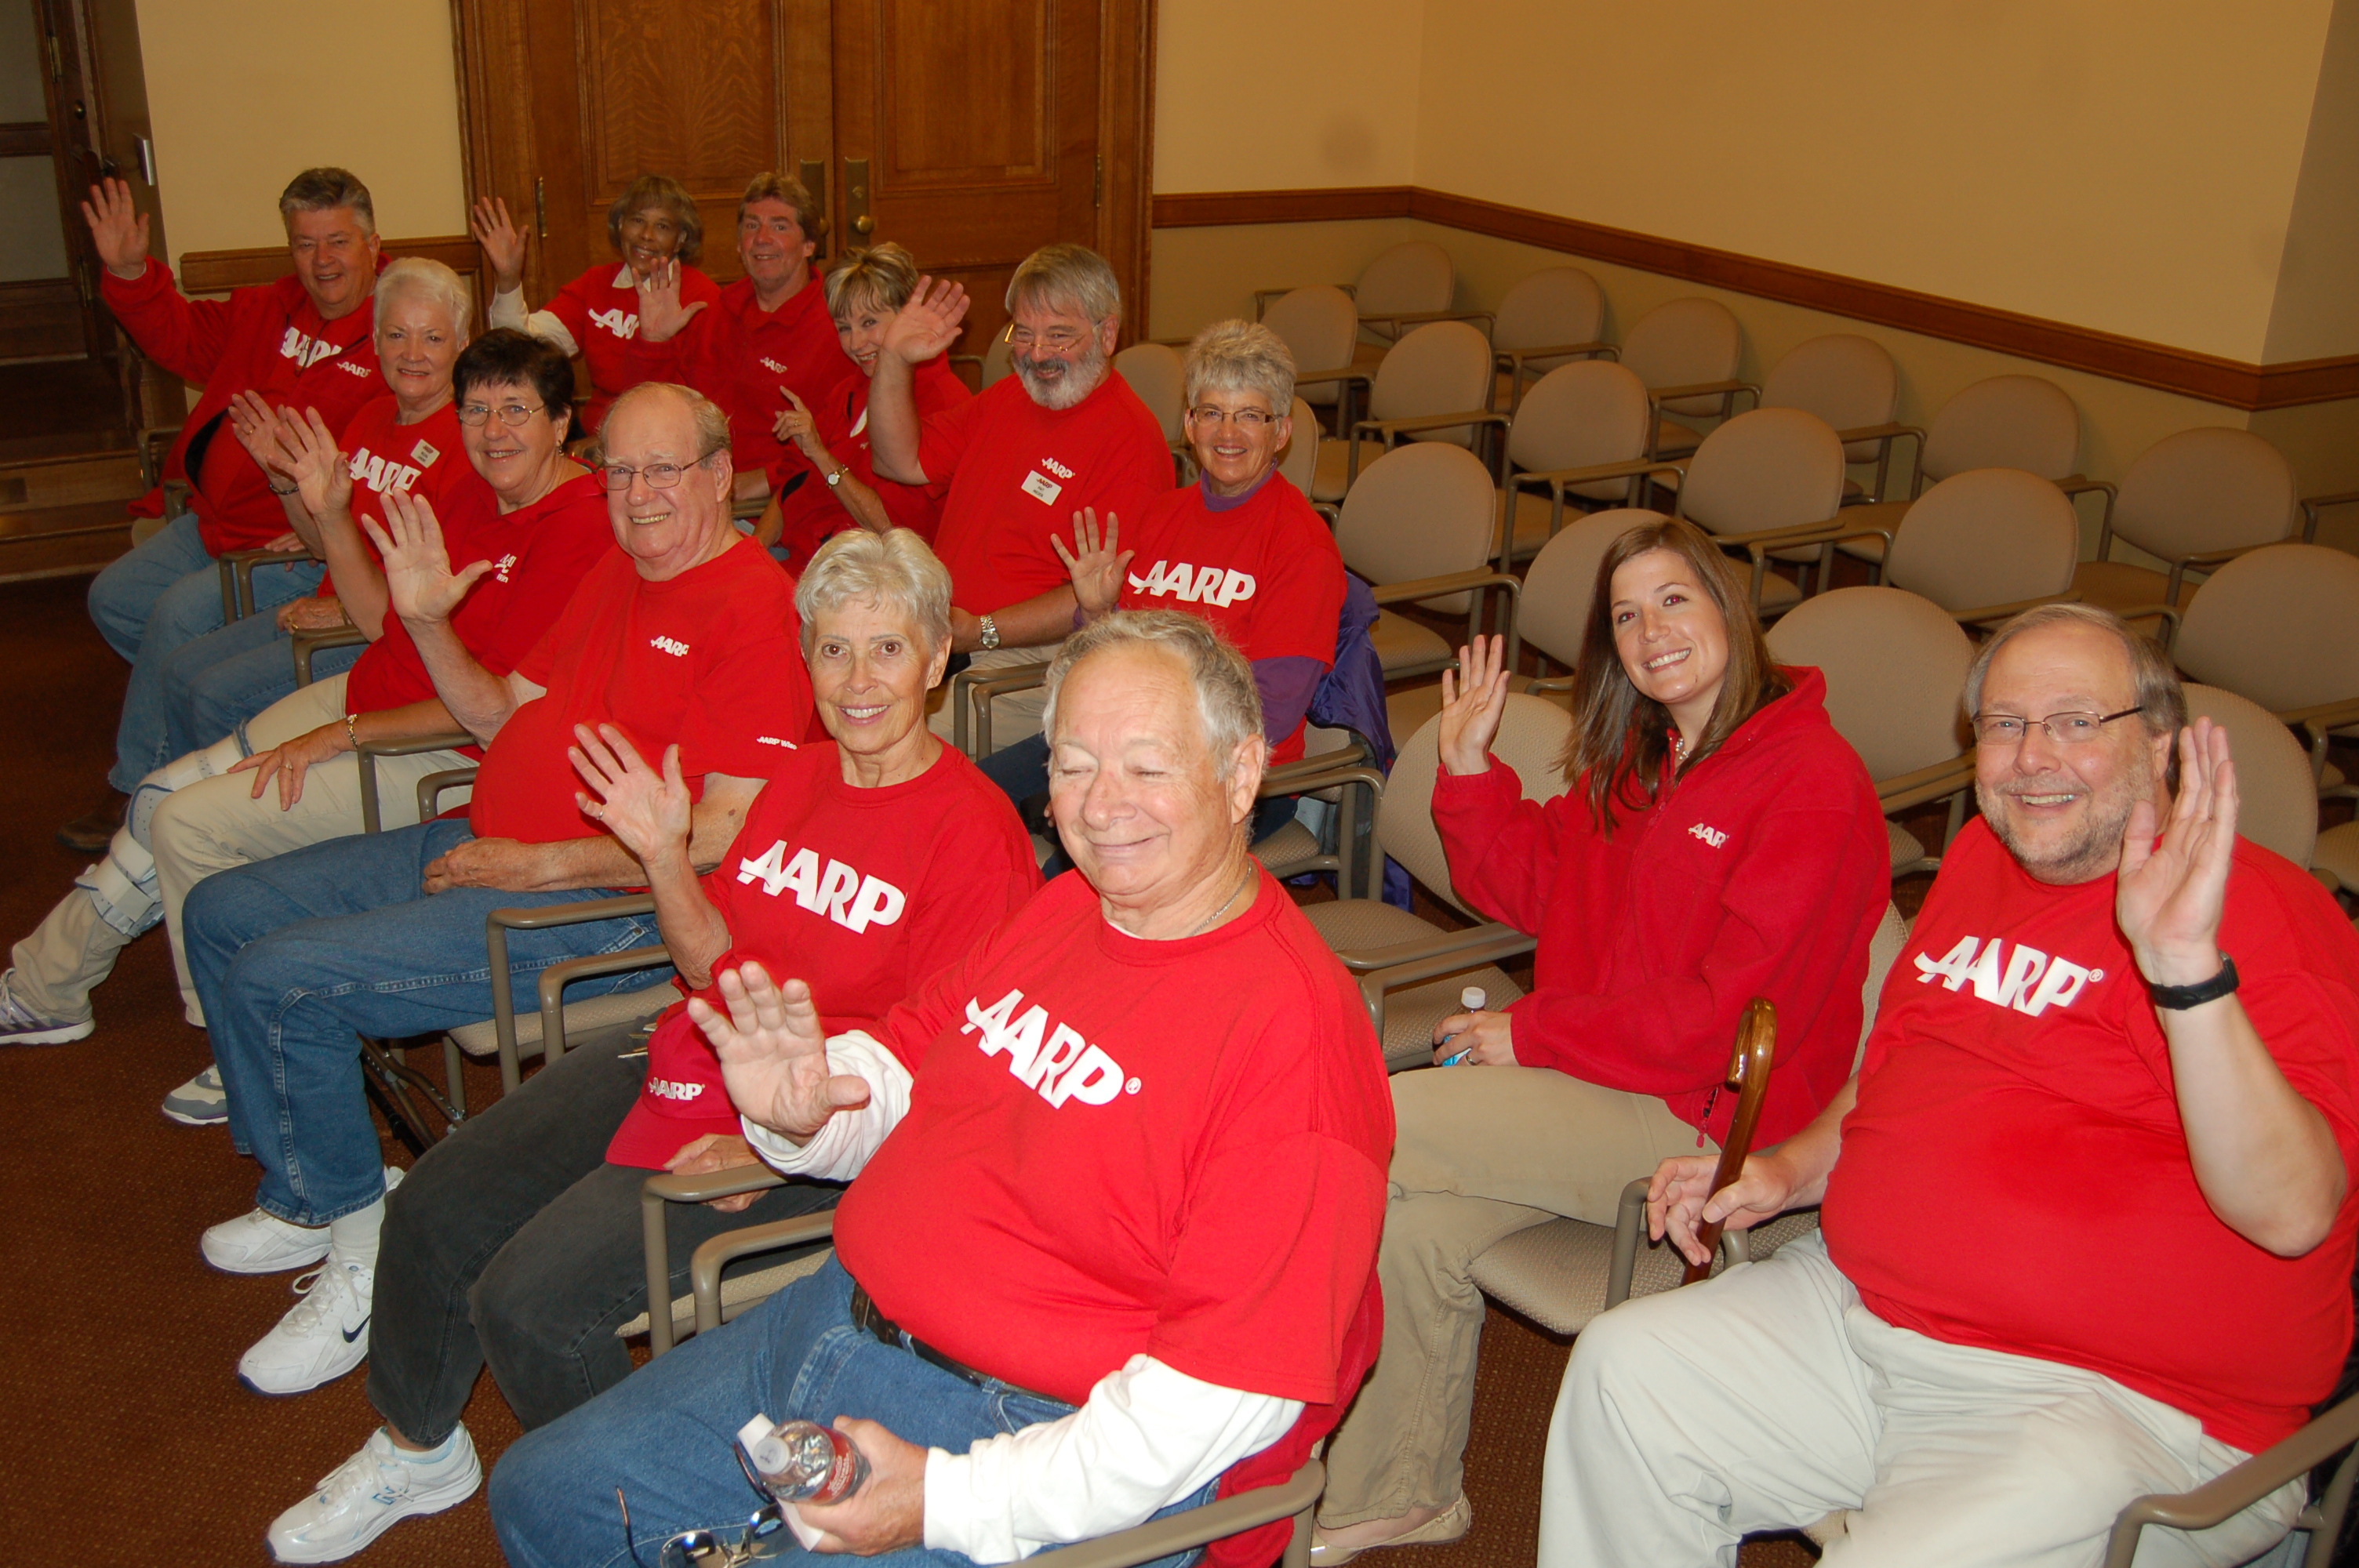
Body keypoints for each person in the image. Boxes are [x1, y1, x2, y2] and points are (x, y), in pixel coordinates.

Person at [486, 612, 1391, 1568]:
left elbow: (1211, 1406)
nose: (1099, 804)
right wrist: (806, 1103)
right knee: (548, 1497)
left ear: (1241, 772)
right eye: (1073, 762)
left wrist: (948, 1497)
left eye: (1147, 766)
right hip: (838, 1321)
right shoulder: (1069, 904)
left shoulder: (1291, 1039)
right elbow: (909, 1059)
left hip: (1035, 1433)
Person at [263, 529, 1040, 1564]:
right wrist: (667, 857)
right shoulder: (798, 785)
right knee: (442, 1202)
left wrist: (768, 1146)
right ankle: (418, 1444)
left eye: (887, 650)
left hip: (823, 1123)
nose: (857, 681)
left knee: (532, 1307)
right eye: (832, 650)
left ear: (938, 658)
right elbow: (710, 955)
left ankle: (640, 1526)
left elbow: (944, 1071)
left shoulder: (974, 837)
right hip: (695, 1051)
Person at [1549, 603, 2359, 1568]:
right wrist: (1789, 1168)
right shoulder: (1981, 856)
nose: (2030, 757)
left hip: (2113, 1405)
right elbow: (1895, 1075)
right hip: (1863, 1317)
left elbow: (2293, 1212)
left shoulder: (2268, 915)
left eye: (2072, 721)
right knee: (1623, 1369)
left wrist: (2183, 965)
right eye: (2004, 725)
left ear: (2158, 740)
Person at [180, 381, 814, 1400]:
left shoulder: (756, 607)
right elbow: (499, 718)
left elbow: (722, 838)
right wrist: (428, 621)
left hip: (587, 906)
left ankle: (361, 1254)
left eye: (664, 471)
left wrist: (545, 863)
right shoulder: (616, 571)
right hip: (487, 837)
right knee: (224, 911)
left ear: (716, 478)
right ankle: (315, 1190)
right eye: (619, 471)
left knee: (282, 980)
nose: (639, 494)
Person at [1313, 516, 1888, 1563]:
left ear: (1729, 608)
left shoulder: (1810, 781)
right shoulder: (1649, 757)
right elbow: (1531, 880)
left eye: (1675, 599)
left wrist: (1528, 1034)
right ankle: (1402, 1490)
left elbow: (1719, 1022)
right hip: (1606, 1080)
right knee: (1413, 1224)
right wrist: (1471, 764)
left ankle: (1232, 1394)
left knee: (1373, 1119)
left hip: (1704, 1116)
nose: (1651, 631)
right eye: (1625, 615)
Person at [0, 328, 609, 1076]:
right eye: (476, 411)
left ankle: (237, 1052)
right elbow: (385, 621)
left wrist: (344, 735)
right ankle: (48, 985)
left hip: (430, 748)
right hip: (363, 698)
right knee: (160, 792)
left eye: (516, 409)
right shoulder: (471, 491)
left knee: (184, 823)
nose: (493, 431)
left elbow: (493, 710)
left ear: (560, 423)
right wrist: (328, 514)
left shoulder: (581, 529)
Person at [72, 169, 387, 851]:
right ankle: (200, 720)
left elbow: (402, 452)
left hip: (291, 542)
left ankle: (139, 785)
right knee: (115, 597)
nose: (322, 260)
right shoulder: (268, 308)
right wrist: (131, 274)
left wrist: (320, 524)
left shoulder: (397, 330)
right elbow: (181, 336)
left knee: (175, 618)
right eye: (305, 244)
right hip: (214, 521)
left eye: (338, 241)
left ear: (372, 243)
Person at [984, 318, 1344, 864]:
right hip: (1119, 741)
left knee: (1070, 878)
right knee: (967, 804)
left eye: (1250, 415)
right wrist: (1098, 612)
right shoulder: (1159, 516)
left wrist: (1121, 771)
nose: (1229, 433)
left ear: (1282, 432)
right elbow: (1112, 657)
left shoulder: (1301, 544)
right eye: (1212, 413)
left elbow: (1271, 710)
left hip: (1225, 778)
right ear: (1188, 425)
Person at [155, 256, 486, 769]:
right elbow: (320, 543)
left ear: (462, 344)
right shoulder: (371, 416)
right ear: (375, 342)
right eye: (397, 335)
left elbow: (444, 595)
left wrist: (348, 610)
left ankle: (227, 823)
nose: (413, 354)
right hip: (331, 605)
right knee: (178, 669)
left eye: (433, 338)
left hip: (382, 636)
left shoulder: (468, 444)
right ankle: (167, 808)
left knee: (210, 694)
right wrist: (285, 483)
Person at [865, 242, 1174, 745]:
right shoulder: (1010, 397)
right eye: (1024, 334)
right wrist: (895, 358)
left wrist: (982, 629)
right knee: (837, 710)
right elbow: (897, 460)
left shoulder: (1129, 442)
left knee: (893, 755)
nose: (1037, 354)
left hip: (1030, 661)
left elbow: (1101, 597)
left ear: (1108, 334)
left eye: (1059, 336)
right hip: (946, 633)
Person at [627, 172, 852, 509]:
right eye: (751, 226)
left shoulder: (838, 328)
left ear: (809, 245)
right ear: (738, 244)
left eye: (780, 227)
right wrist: (654, 342)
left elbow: (842, 447)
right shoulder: (714, 313)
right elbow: (653, 416)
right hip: (694, 492)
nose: (762, 238)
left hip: (782, 504)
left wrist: (756, 482)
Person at [756, 242, 972, 565]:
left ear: (908, 317)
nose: (856, 344)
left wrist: (822, 457)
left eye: (870, 323)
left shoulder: (942, 402)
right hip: (798, 556)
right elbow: (792, 488)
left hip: (862, 580)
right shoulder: (850, 390)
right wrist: (751, 559)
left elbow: (896, 533)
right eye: (844, 328)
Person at [472, 173, 722, 436]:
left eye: (662, 227)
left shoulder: (702, 297)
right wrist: (509, 279)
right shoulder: (597, 284)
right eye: (638, 220)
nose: (646, 236)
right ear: (621, 224)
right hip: (597, 433)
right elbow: (518, 350)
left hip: (669, 434)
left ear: (681, 239)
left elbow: (709, 400)